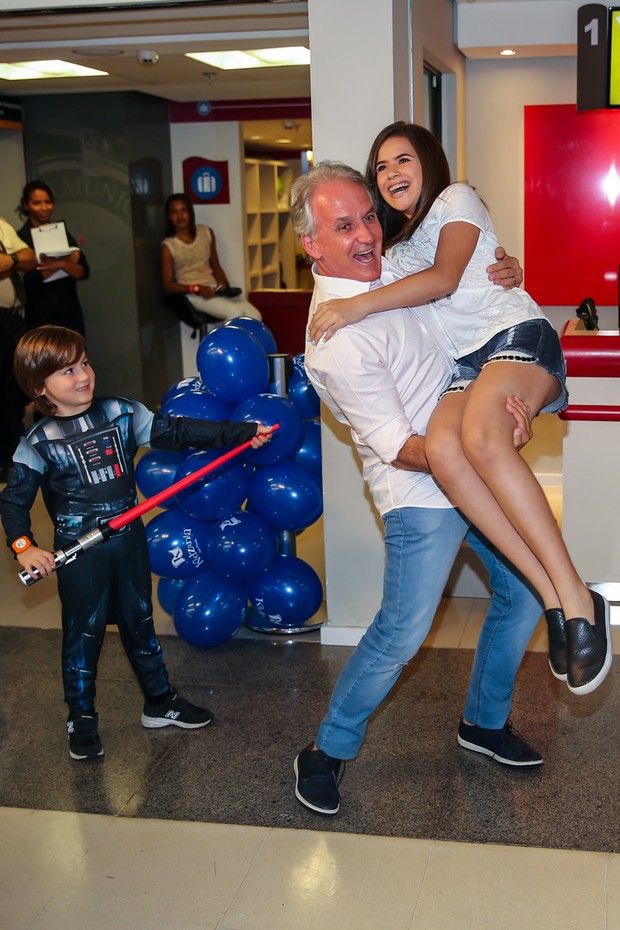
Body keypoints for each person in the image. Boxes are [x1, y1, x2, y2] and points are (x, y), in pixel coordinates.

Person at [308, 123, 610, 698]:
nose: (392, 174)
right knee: (450, 448)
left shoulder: (457, 198)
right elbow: (398, 277)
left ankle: (574, 596)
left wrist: (355, 308)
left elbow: (447, 279)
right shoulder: (393, 250)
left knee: (483, 442)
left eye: (403, 160)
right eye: (381, 168)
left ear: (429, 162)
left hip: (512, 339)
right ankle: (552, 599)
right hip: (466, 369)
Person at [290, 161, 545, 817]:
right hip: (420, 492)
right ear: (311, 245)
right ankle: (325, 751)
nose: (367, 234)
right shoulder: (333, 342)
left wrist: (505, 270)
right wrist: (484, 446)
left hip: (467, 464)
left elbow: (462, 283)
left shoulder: (392, 266)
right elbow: (399, 445)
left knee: (522, 594)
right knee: (402, 634)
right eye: (343, 226)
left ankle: (483, 724)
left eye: (368, 216)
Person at [0, 325, 273, 762]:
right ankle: (82, 717)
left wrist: (239, 433)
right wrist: (24, 547)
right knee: (83, 634)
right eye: (67, 371)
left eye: (84, 362)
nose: (83, 376)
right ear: (40, 388)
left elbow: (180, 432)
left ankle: (159, 701)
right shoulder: (35, 444)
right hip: (81, 552)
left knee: (139, 623)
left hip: (127, 541)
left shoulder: (122, 412)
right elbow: (13, 505)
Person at [161, 193, 262, 323]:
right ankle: (220, 343)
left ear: (190, 212)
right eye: (174, 212)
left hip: (213, 288)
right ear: (169, 217)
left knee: (255, 316)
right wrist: (196, 288)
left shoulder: (206, 232)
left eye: (183, 210)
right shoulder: (169, 246)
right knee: (236, 313)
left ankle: (244, 343)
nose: (180, 216)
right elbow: (168, 285)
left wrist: (222, 284)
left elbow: (216, 266)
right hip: (193, 294)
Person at [17, 180, 90, 335]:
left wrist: (59, 264)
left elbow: (83, 271)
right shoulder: (20, 239)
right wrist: (67, 263)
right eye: (37, 203)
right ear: (26, 205)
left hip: (70, 313)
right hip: (40, 317)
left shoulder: (61, 233)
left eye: (48, 202)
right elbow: (31, 280)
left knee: (75, 357)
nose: (44, 208)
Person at [0, 217, 36, 484]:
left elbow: (28, 255)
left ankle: (10, 458)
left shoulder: (1, 225)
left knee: (12, 390)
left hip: (10, 320)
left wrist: (10, 261)